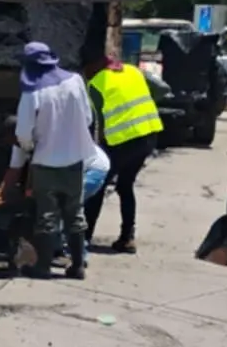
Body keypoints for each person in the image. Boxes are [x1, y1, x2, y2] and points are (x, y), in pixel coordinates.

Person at [8, 41, 94, 280]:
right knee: (75, 212)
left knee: (47, 215)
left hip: (46, 161)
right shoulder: (75, 81)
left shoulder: (32, 91)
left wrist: (29, 148)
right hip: (76, 159)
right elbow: (87, 117)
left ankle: (43, 267)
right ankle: (78, 266)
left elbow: (24, 132)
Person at [84, 53, 163, 252]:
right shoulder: (134, 71)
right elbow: (163, 89)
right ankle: (127, 237)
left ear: (95, 66)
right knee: (125, 185)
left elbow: (95, 122)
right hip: (148, 134)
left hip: (122, 140)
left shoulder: (95, 83)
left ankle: (84, 237)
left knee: (98, 185)